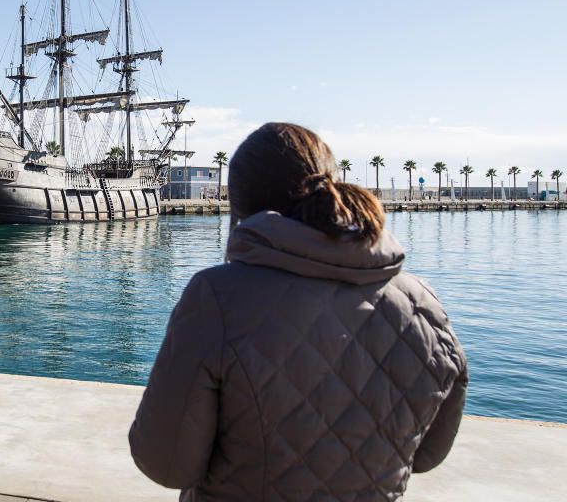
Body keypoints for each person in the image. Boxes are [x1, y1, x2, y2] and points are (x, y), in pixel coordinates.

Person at [130, 122, 468, 501]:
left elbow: (165, 462)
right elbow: (426, 455)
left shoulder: (217, 298)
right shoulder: (424, 304)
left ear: (241, 206)